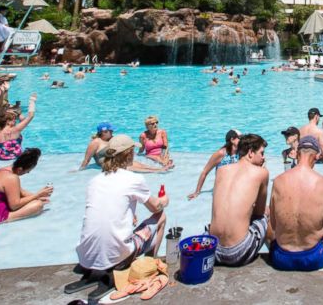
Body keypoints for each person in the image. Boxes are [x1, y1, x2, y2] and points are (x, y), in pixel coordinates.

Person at [75, 135, 168, 295]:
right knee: (161, 216)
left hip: (85, 257)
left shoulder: (94, 181)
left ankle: (93, 272)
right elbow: (155, 208)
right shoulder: (134, 179)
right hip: (118, 258)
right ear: (128, 154)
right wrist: (163, 201)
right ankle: (149, 265)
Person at [268, 136, 323, 271]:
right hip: (314, 258)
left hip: (281, 258)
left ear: (297, 154)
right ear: (317, 156)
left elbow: (274, 226)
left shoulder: (278, 181)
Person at [209, 134, 270, 267]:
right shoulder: (261, 173)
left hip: (213, 249)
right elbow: (259, 212)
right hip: (238, 252)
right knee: (267, 212)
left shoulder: (221, 170)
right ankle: (274, 253)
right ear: (250, 153)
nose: (264, 157)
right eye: (262, 153)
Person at [0, 148, 53, 224]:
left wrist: (38, 197)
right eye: (27, 171)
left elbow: (21, 192)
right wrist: (37, 195)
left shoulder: (4, 170)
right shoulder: (12, 178)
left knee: (37, 201)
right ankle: (5, 219)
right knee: (38, 205)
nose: (27, 173)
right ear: (20, 169)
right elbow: (14, 206)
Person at [79, 123, 166, 173]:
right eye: (111, 131)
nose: (112, 132)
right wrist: (80, 171)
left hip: (117, 161)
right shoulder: (95, 143)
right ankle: (157, 171)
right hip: (108, 165)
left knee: (137, 164)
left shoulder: (112, 139)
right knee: (129, 167)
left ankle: (158, 169)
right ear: (104, 132)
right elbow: (86, 160)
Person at [188, 129, 240, 199]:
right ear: (232, 140)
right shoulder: (221, 154)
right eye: (240, 137)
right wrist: (197, 192)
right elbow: (205, 172)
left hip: (235, 186)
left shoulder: (240, 152)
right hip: (223, 189)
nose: (243, 140)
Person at [0, 93, 37, 161]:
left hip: (1, 160)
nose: (15, 121)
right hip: (16, 160)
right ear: (8, 121)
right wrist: (32, 101)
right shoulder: (15, 130)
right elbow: (31, 116)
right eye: (13, 119)